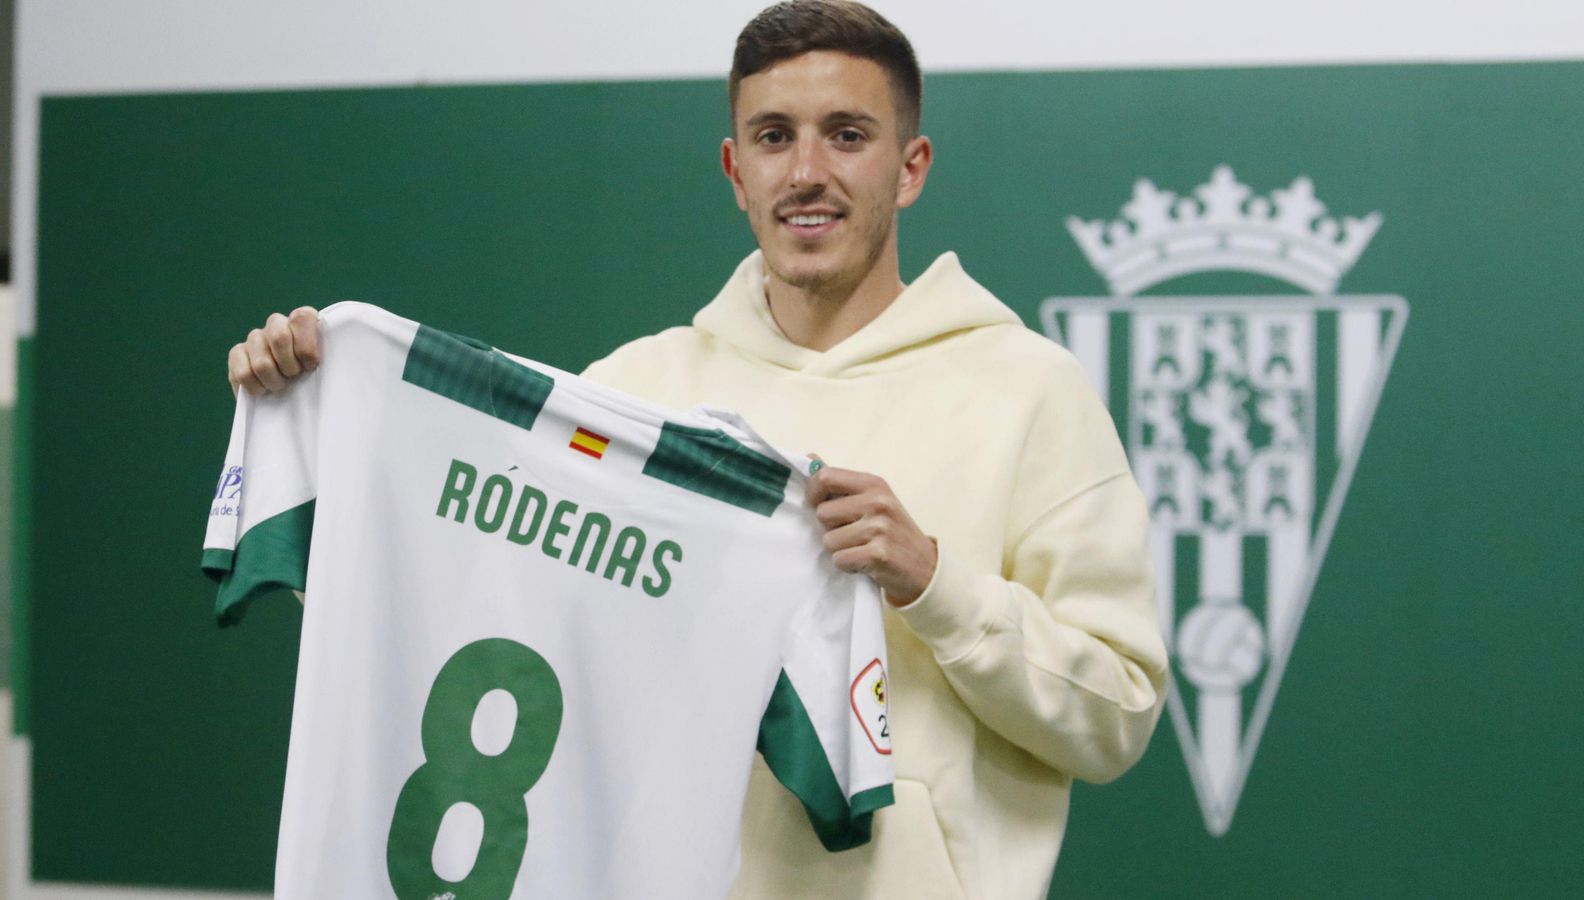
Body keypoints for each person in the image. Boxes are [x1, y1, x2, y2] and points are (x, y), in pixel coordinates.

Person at [227, 2, 1168, 897]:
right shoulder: (632, 394)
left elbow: (1118, 714)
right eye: (773, 137)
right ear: (733, 170)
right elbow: (470, 609)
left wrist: (932, 583)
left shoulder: (1028, 391)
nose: (807, 171)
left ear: (910, 166)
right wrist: (312, 419)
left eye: (847, 134)